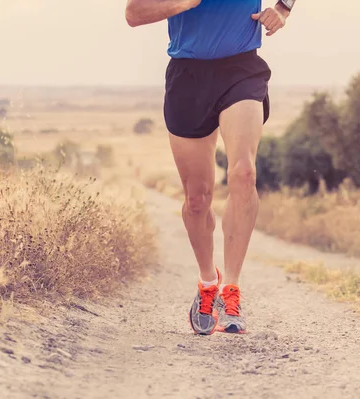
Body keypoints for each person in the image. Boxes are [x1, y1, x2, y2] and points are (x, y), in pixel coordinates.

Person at [125, 0, 296, 335]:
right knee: (196, 199)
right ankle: (208, 282)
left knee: (244, 174)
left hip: (241, 70)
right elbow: (134, 14)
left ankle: (232, 290)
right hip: (187, 75)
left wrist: (284, 8)